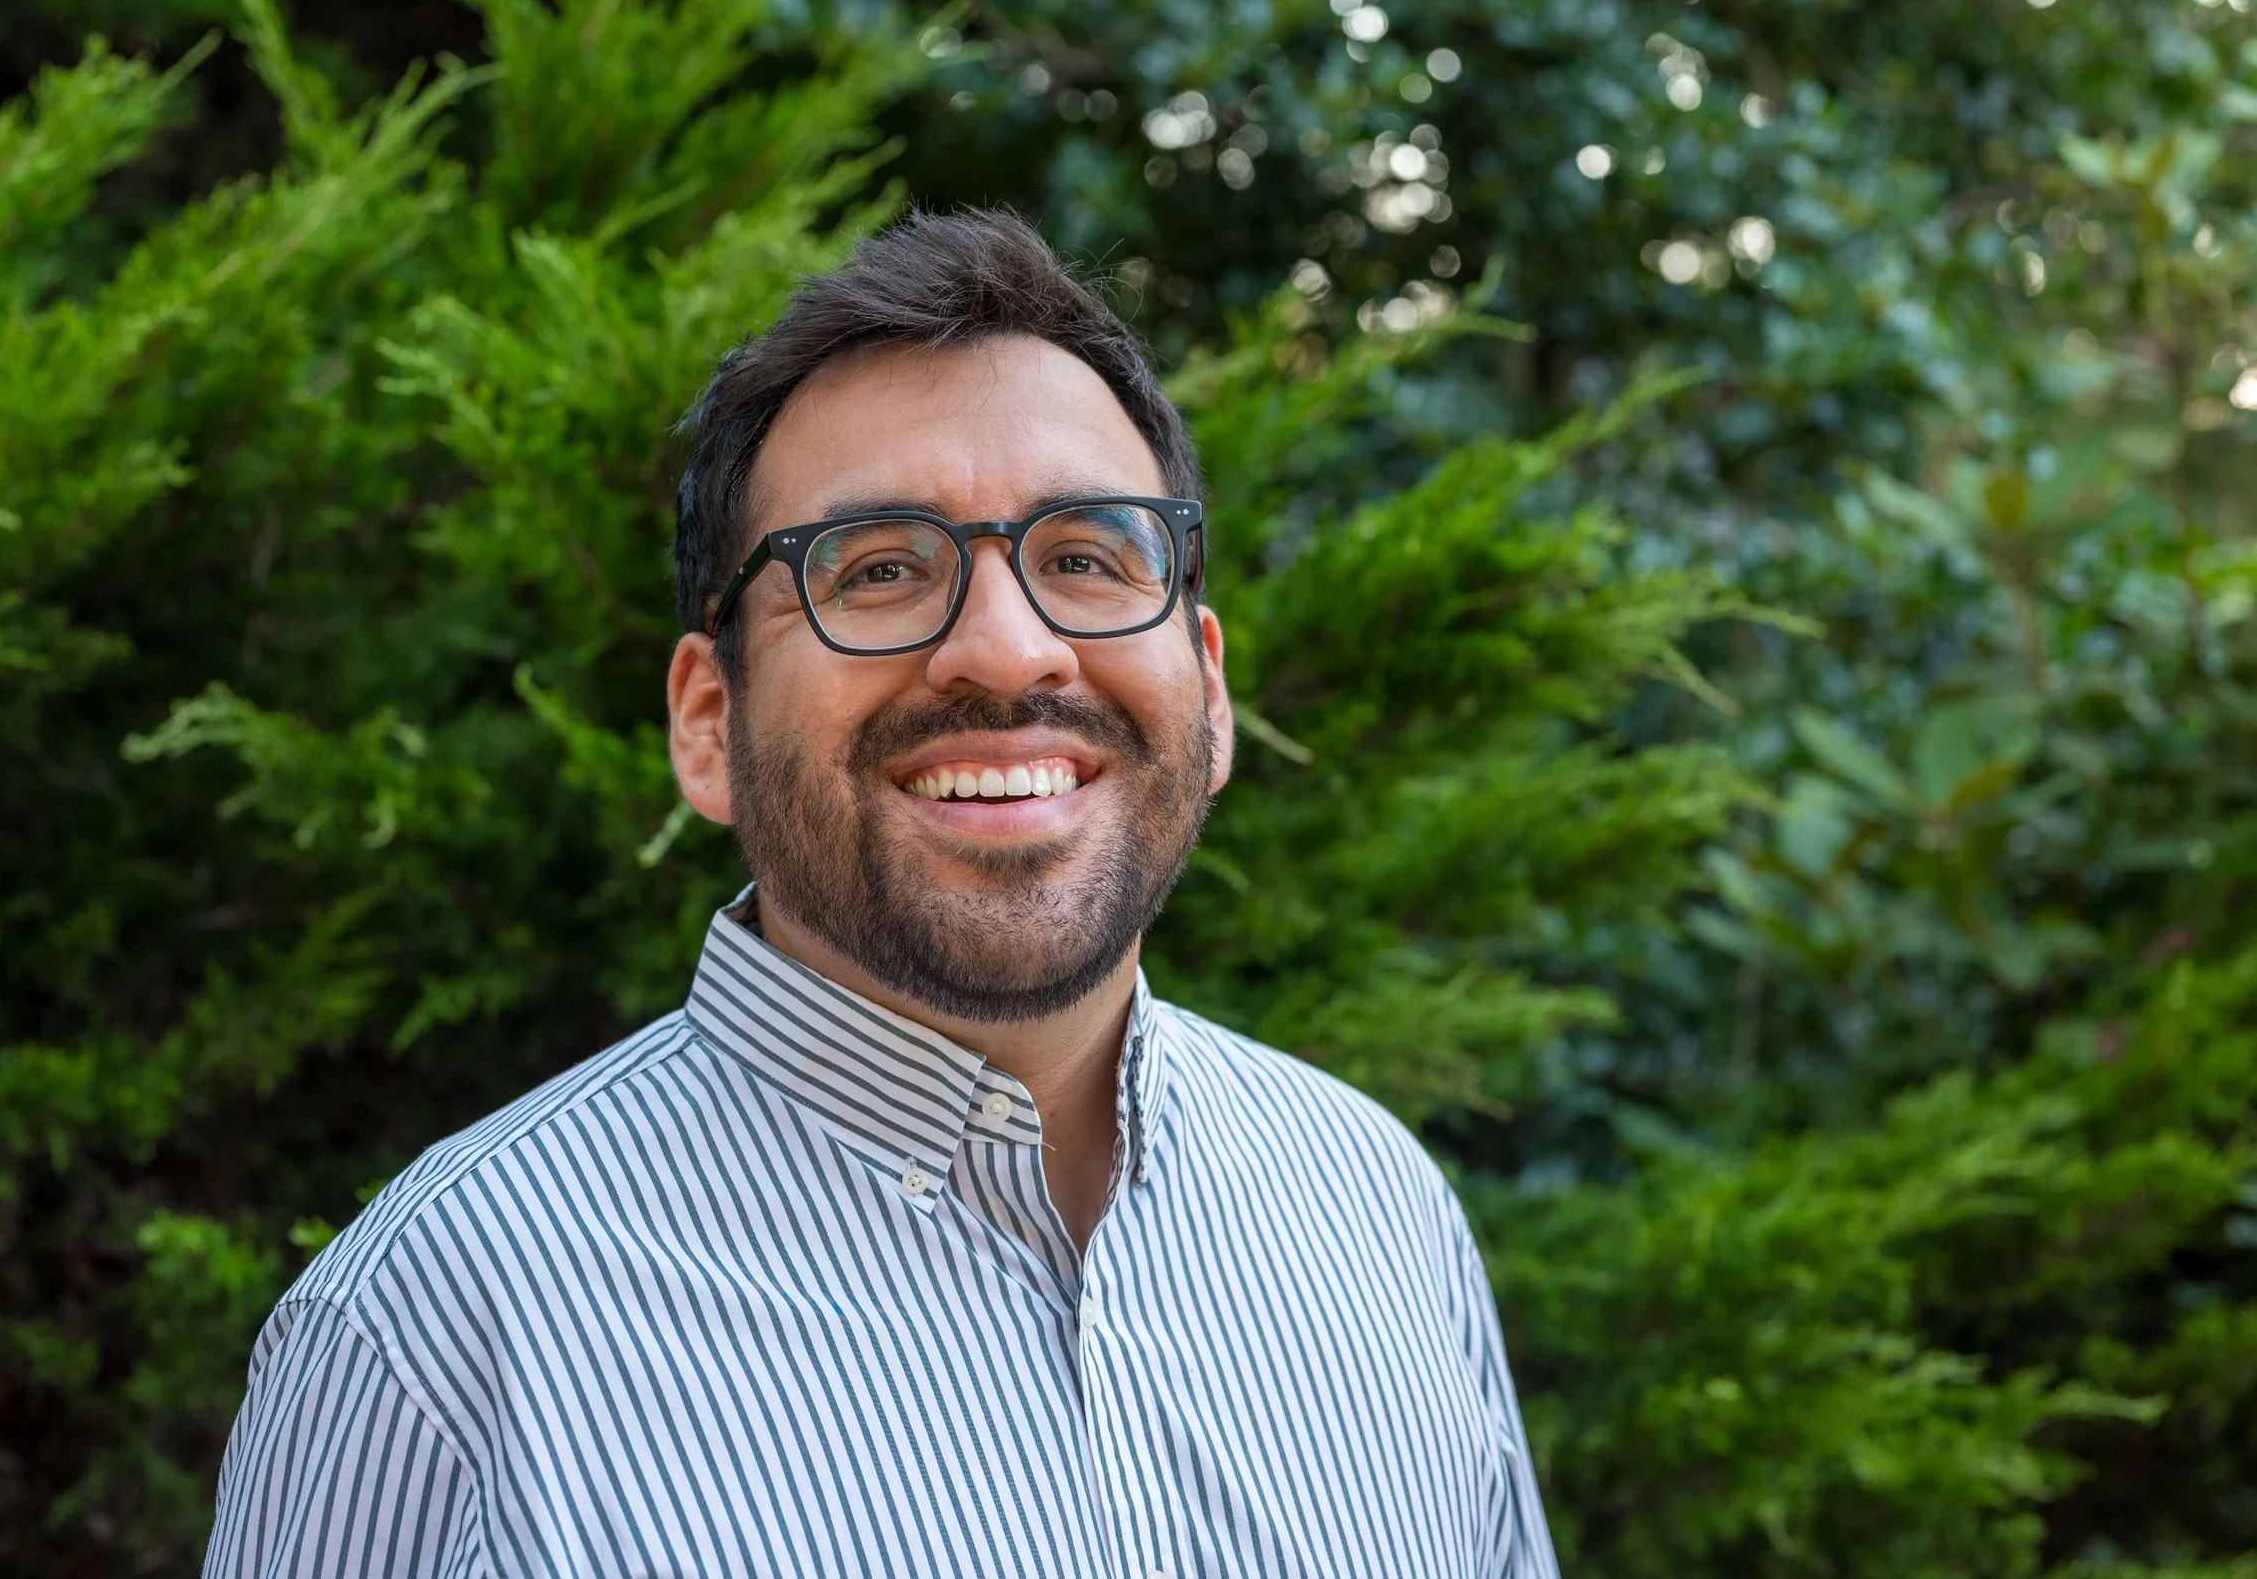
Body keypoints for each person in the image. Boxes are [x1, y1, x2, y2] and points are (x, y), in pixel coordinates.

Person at [202, 209, 1558, 1579]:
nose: (1006, 648)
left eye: (1088, 557)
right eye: (882, 571)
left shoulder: (1374, 1207)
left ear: (1207, 694)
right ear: (705, 719)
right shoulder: (437, 1334)